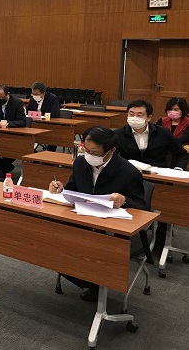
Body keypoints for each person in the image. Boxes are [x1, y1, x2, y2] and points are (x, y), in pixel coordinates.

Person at [49, 127, 146, 302]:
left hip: (112, 229)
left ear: (111, 151)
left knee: (87, 251)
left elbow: (143, 210)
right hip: (82, 221)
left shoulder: (128, 172)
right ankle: (92, 282)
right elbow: (73, 189)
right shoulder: (80, 163)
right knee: (54, 245)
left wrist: (124, 200)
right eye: (86, 150)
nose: (89, 155)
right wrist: (60, 189)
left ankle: (97, 283)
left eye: (94, 153)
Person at [114, 99, 188, 170]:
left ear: (149, 117)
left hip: (158, 174)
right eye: (131, 114)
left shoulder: (163, 132)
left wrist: (178, 169)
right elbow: (111, 156)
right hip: (130, 173)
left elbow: (181, 154)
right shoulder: (118, 134)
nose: (134, 118)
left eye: (139, 115)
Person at [0, 84, 27, 176]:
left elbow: (22, 121)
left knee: (11, 150)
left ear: (7, 94)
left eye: (1, 98)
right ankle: (5, 167)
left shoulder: (17, 103)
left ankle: (4, 167)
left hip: (13, 134)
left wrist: (7, 123)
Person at [27, 81, 60, 152]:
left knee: (53, 135)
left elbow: (55, 114)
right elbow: (28, 111)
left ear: (43, 93)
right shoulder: (32, 99)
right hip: (34, 124)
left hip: (49, 124)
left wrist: (40, 115)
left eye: (36, 94)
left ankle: (50, 153)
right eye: (33, 94)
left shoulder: (52, 98)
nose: (34, 96)